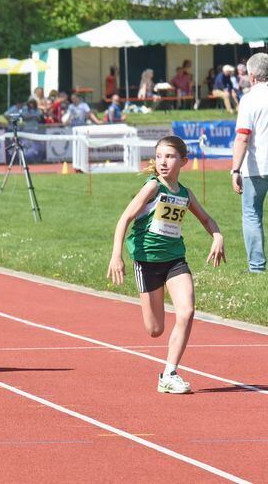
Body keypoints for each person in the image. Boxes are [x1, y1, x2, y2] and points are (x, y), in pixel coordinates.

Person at [107, 136, 225, 394]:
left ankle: (169, 374)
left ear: (183, 161)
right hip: (147, 262)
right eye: (159, 156)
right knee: (155, 329)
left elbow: (207, 220)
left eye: (170, 157)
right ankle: (167, 361)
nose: (163, 162)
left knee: (186, 311)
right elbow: (124, 218)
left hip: (174, 260)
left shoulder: (184, 194)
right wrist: (117, 255)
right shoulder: (152, 187)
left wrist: (217, 235)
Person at [231, 52, 268, 273]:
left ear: (252, 76)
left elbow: (243, 136)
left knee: (252, 215)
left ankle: (257, 266)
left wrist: (235, 169)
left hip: (257, 166)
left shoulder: (249, 99)